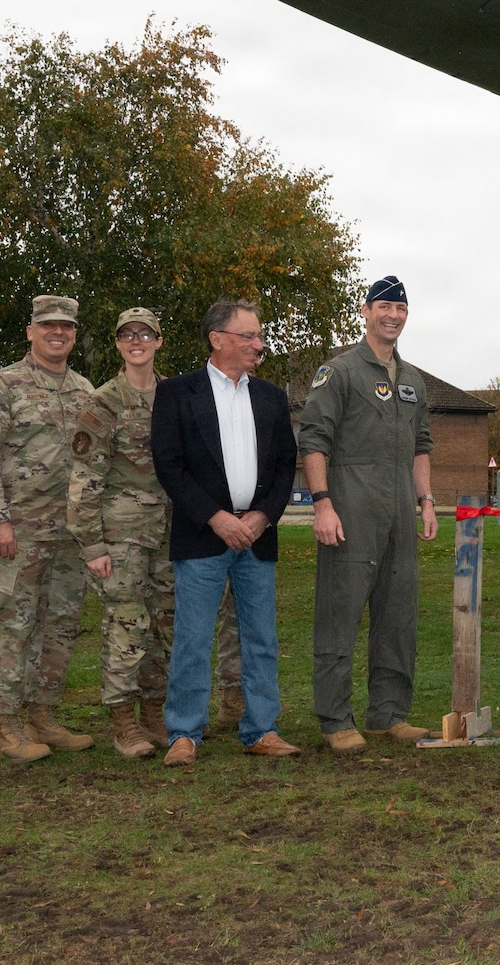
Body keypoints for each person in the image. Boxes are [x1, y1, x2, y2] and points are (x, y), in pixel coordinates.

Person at [152, 299, 300, 765]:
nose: (260, 345)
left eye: (259, 336)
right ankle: (183, 733)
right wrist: (216, 518)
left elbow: (284, 467)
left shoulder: (272, 398)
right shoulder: (177, 393)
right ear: (218, 340)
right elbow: (170, 467)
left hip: (257, 538)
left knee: (261, 638)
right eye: (249, 336)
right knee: (192, 638)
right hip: (202, 537)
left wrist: (261, 517)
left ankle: (261, 729)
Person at [298, 276, 437, 755]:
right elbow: (314, 439)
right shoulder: (339, 373)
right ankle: (335, 718)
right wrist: (322, 503)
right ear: (365, 310)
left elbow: (421, 446)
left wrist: (426, 502)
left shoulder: (414, 381)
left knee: (398, 617)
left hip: (399, 512)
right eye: (384, 306)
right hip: (350, 510)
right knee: (339, 615)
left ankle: (388, 714)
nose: (392, 315)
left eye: (400, 307)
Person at [0, 294, 100, 762]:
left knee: (59, 626)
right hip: (18, 531)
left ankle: (42, 715)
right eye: (47, 326)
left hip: (69, 533)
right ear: (31, 331)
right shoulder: (1, 385)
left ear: (74, 334)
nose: (56, 332)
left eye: (65, 326)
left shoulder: (86, 391)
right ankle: (5, 728)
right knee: (10, 625)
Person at [68, 307, 174, 757]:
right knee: (127, 627)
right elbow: (85, 478)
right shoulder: (104, 403)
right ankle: (123, 724)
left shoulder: (174, 395)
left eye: (144, 334)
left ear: (157, 341)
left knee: (166, 625)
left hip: (171, 533)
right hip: (121, 535)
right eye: (127, 335)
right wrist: (92, 545)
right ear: (117, 343)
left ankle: (154, 714)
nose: (137, 341)